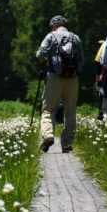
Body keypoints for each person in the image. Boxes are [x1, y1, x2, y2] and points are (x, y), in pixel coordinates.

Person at [36, 15, 84, 153]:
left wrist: (45, 62)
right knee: (70, 111)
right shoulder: (75, 38)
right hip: (72, 79)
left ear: (53, 26)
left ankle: (48, 135)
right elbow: (81, 59)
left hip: (54, 77)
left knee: (48, 109)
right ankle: (67, 144)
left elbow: (39, 54)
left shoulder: (51, 36)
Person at [94, 39, 107, 120]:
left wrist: (99, 80)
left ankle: (101, 114)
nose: (99, 47)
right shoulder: (100, 54)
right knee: (101, 97)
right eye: (98, 46)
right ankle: (100, 113)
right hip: (101, 79)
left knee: (103, 97)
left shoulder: (101, 54)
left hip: (103, 79)